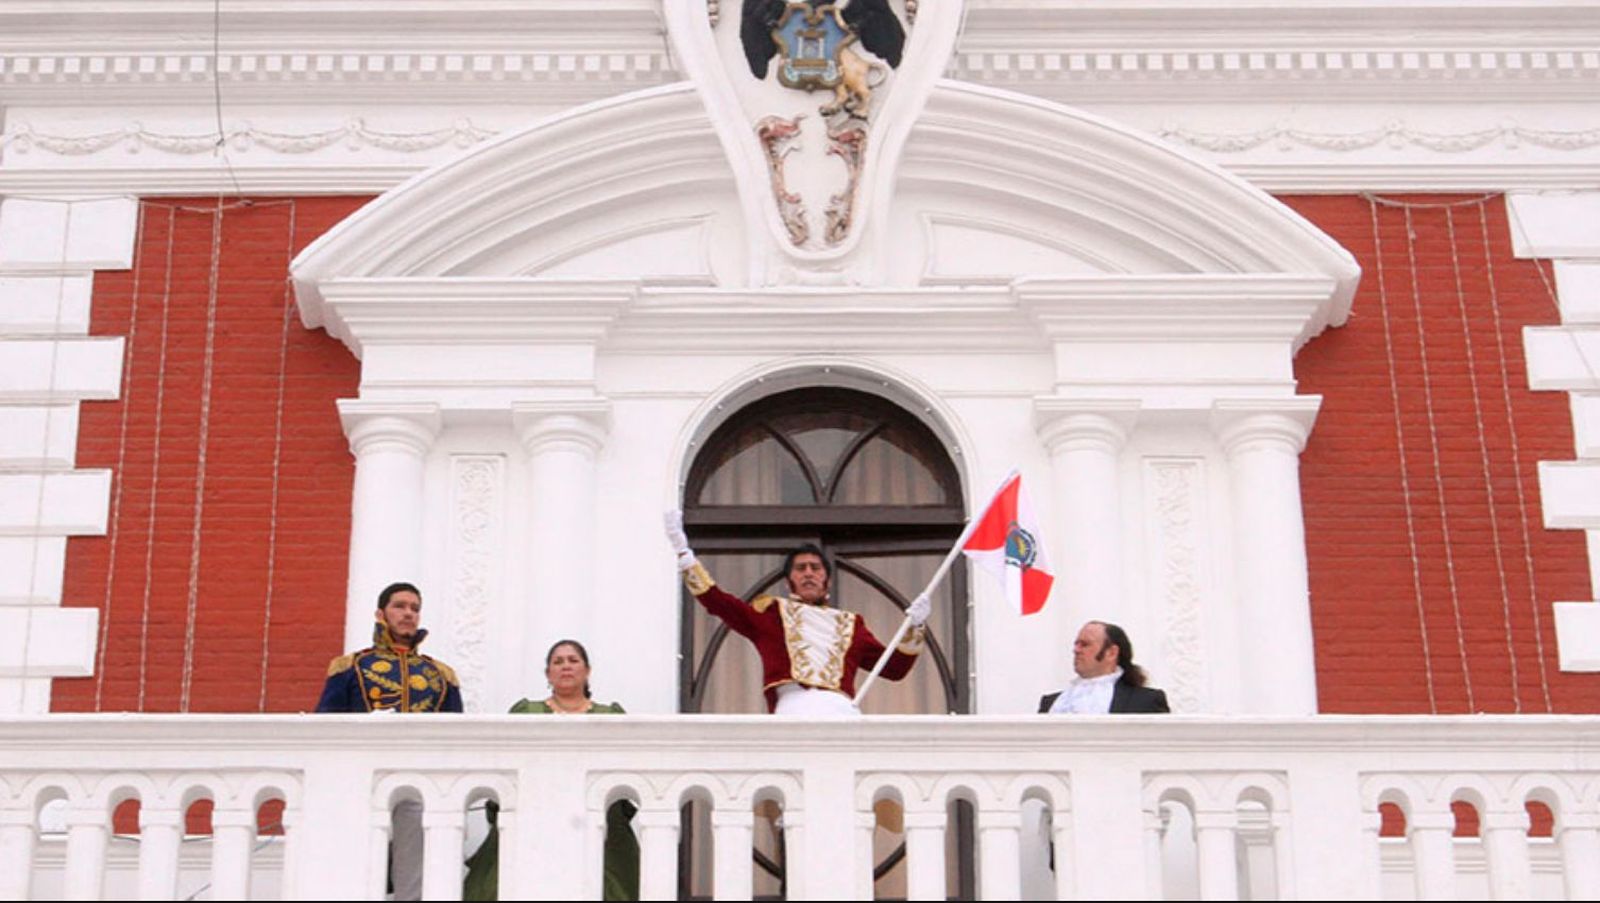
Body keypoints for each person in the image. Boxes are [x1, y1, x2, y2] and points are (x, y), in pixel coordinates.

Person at [663, 511, 931, 715]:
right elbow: (719, 603)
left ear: (827, 579)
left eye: (816, 568)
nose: (809, 574)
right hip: (792, 706)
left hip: (839, 708)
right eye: (800, 569)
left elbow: (894, 668)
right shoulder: (771, 614)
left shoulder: (851, 625)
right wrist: (684, 554)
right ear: (789, 580)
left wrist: (915, 628)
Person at [316, 581, 463, 901]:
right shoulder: (351, 667)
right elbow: (325, 728)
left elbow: (455, 736)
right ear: (381, 613)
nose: (408, 614)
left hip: (419, 781)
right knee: (355, 868)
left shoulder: (441, 676)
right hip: (359, 781)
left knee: (414, 876)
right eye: (400, 606)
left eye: (414, 608)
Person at [462, 640, 639, 902]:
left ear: (587, 670)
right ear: (548, 674)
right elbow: (504, 762)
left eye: (573, 660)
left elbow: (625, 766)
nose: (565, 666)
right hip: (533, 813)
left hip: (596, 817)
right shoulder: (526, 712)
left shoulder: (610, 715)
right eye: (558, 662)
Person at [1038, 620, 1170, 714]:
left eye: (1085, 644)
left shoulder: (1145, 701)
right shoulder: (1050, 703)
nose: (1076, 650)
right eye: (1076, 644)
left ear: (1111, 653)